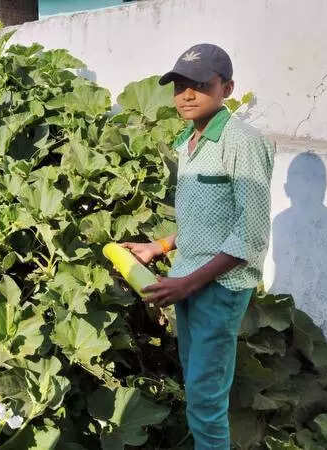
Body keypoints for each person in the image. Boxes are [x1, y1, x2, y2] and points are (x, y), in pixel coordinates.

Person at [120, 44, 274, 449]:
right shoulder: (188, 140)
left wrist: (187, 285)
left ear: (227, 88)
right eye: (180, 86)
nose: (187, 95)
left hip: (217, 289)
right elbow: (206, 217)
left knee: (206, 398)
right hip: (187, 278)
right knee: (197, 380)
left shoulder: (242, 142)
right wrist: (161, 244)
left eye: (201, 85)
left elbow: (249, 233)